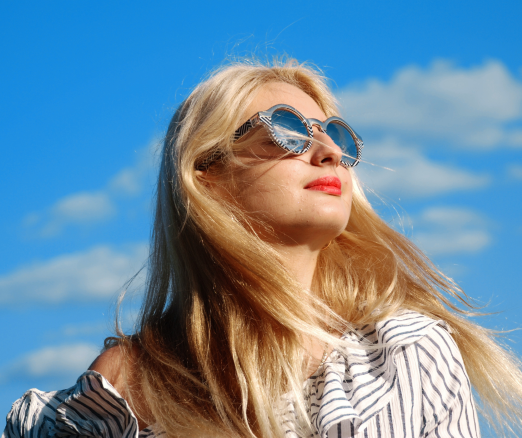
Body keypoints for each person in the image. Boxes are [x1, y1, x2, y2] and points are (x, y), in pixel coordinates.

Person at [4, 58, 522, 438]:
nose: (328, 152)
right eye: (287, 131)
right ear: (206, 176)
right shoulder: (127, 387)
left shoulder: (407, 357)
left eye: (335, 136)